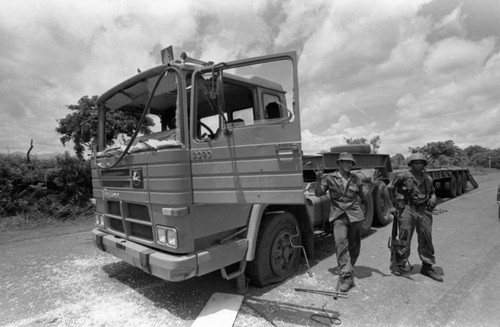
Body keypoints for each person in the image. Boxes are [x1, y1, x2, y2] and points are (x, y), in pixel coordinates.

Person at [314, 152, 367, 292]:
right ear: (339, 163)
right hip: (339, 216)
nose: (349, 164)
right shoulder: (330, 178)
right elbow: (319, 194)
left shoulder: (356, 178)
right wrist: (318, 179)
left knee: (355, 246)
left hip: (355, 215)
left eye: (351, 163)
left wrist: (371, 187)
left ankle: (349, 267)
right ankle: (347, 277)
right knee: (340, 245)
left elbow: (364, 196)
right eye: (346, 162)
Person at [387, 152, 443, 282]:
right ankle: (400, 264)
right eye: (415, 163)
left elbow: (432, 192)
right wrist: (391, 205)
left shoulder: (427, 178)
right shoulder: (403, 176)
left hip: (424, 210)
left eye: (421, 163)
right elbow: (389, 188)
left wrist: (434, 198)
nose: (418, 165)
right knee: (404, 237)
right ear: (411, 164)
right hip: (408, 209)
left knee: (426, 237)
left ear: (424, 165)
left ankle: (427, 266)